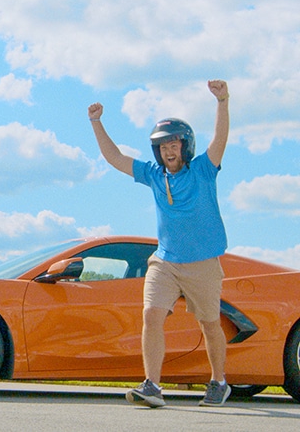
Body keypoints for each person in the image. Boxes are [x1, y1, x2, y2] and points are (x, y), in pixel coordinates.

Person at [88, 79, 230, 408]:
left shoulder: (204, 171)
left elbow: (220, 139)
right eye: (163, 146)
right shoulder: (154, 175)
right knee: (152, 314)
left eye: (174, 144)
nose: (168, 150)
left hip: (203, 263)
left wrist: (222, 101)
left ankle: (219, 381)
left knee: (210, 324)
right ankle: (152, 385)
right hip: (165, 261)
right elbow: (114, 158)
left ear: (186, 147)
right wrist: (96, 122)